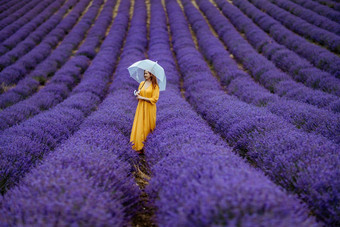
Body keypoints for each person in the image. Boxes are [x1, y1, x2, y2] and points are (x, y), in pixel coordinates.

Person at [130, 70, 160, 154]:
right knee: (140, 125)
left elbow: (155, 99)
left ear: (151, 74)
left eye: (146, 73)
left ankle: (147, 147)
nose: (145, 75)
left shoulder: (155, 86)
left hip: (149, 108)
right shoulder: (141, 83)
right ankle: (139, 146)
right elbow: (139, 96)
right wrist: (138, 95)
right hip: (141, 107)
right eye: (144, 73)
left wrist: (143, 98)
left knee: (148, 125)